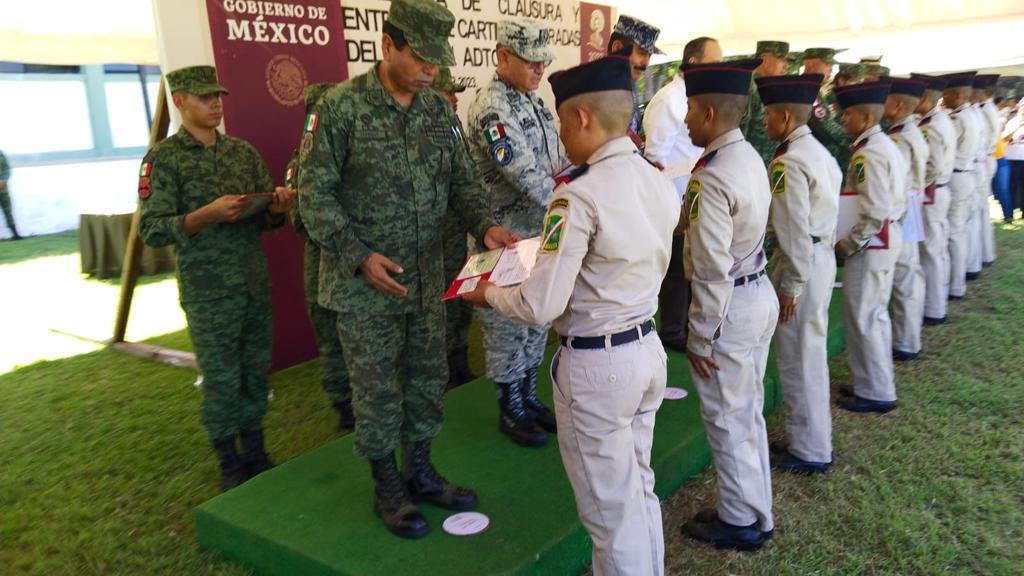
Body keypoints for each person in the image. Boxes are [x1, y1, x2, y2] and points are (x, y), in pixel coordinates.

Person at [297, 0, 518, 539]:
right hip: (363, 285)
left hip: (425, 278)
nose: (431, 70)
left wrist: (486, 226)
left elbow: (463, 183)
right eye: (421, 57)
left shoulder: (437, 111)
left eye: (437, 61)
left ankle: (419, 470)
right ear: (387, 44)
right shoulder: (339, 108)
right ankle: (387, 486)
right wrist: (356, 254)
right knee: (376, 389)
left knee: (426, 379)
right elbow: (313, 194)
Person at [463, 55, 679, 576]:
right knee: (638, 491)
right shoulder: (656, 179)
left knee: (610, 516)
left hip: (599, 367)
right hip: (646, 350)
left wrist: (486, 292)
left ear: (582, 119)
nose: (560, 135)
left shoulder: (576, 196)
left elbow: (541, 305)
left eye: (562, 122)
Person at [138, 65, 296, 490]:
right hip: (208, 291)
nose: (215, 102)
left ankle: (257, 452)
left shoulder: (241, 153)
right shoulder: (163, 160)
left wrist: (277, 207)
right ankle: (230, 463)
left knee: (253, 370)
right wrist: (204, 216)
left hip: (250, 282)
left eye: (218, 95)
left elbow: (265, 219)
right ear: (180, 101)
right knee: (222, 377)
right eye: (205, 96)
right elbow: (151, 229)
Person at [679, 58, 778, 551]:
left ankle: (740, 518)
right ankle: (756, 509)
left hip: (730, 305)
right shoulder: (749, 157)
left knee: (726, 415)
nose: (686, 119)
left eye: (692, 109)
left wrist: (700, 335)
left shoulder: (710, 178)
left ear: (711, 112)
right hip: (755, 293)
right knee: (747, 410)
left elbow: (712, 267)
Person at [465, 20, 566, 446]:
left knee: (533, 319)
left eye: (543, 60)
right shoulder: (492, 106)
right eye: (530, 60)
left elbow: (558, 158)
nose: (539, 68)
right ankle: (511, 408)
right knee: (506, 324)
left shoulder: (534, 102)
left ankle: (528, 396)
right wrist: (570, 205)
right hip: (502, 237)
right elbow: (522, 171)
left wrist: (572, 187)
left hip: (537, 235)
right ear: (503, 56)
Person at [756, 73, 841, 474]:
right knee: (809, 352)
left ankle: (808, 447)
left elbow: (791, 231)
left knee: (798, 357)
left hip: (802, 261)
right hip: (819, 257)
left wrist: (790, 284)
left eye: (770, 115)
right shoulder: (818, 152)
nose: (765, 123)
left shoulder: (788, 163)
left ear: (785, 116)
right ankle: (810, 438)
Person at [641, 36, 723, 353]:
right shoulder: (668, 100)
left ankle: (685, 324)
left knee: (689, 265)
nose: (717, 68)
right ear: (693, 63)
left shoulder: (693, 96)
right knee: (675, 268)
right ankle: (672, 330)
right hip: (673, 197)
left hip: (692, 195)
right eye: (712, 62)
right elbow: (655, 158)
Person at [833, 79, 906, 413]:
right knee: (872, 315)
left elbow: (874, 211)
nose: (841, 119)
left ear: (864, 118)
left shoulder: (869, 154)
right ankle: (872, 384)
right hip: (882, 240)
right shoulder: (880, 145)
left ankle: (876, 391)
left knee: (865, 316)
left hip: (871, 244)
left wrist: (849, 243)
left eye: (847, 114)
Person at [285, 83, 354, 432]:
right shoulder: (301, 163)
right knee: (333, 343)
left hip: (359, 264)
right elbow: (301, 220)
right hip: (325, 268)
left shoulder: (352, 153)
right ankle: (344, 409)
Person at [431, 67, 477, 387]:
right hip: (435, 233)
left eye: (455, 93)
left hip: (457, 228)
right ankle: (444, 367)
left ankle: (460, 356)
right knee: (441, 300)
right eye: (448, 93)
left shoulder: (453, 125)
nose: (455, 99)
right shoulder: (420, 128)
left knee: (460, 293)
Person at [884, 78, 929, 362]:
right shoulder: (911, 130)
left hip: (902, 206)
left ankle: (904, 341)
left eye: (887, 100)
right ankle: (908, 338)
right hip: (911, 203)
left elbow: (892, 179)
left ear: (898, 105)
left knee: (904, 276)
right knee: (909, 274)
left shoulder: (900, 137)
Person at [911, 74, 956, 325]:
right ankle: (936, 303)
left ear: (926, 98)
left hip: (931, 192)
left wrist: (913, 186)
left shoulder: (931, 126)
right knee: (935, 249)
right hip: (938, 190)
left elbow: (933, 167)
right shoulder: (939, 120)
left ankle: (933, 308)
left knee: (930, 251)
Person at [939, 72, 980, 300]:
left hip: (956, 175)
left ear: (957, 95)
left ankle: (954, 286)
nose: (943, 99)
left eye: (946, 94)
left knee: (953, 233)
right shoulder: (970, 115)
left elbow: (945, 150)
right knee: (959, 230)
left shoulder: (956, 119)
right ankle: (958, 281)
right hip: (967, 172)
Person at [607, 14, 664, 147]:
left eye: (649, 56)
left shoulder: (626, 88)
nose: (646, 63)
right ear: (617, 48)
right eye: (642, 53)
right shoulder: (595, 90)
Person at [803, 48, 854, 174]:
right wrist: (854, 143)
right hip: (813, 160)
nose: (831, 69)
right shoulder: (807, 88)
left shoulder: (812, 88)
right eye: (827, 64)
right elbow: (826, 126)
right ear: (810, 65)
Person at [742, 41, 793, 165]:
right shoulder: (748, 86)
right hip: (751, 166)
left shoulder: (772, 87)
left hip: (769, 165)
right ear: (765, 60)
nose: (786, 66)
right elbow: (740, 129)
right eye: (782, 60)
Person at [975, 75, 1001, 267]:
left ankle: (981, 256)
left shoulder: (984, 110)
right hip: (985, 160)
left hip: (981, 160)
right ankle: (985, 253)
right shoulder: (988, 109)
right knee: (980, 211)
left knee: (978, 211)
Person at [1003, 103, 1024, 220]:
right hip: (1012, 159)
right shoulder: (1013, 121)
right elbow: (1005, 138)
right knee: (1011, 187)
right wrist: (1017, 127)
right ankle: (1009, 214)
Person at [0, 150, 22, 240]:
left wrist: (4, 179)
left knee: (8, 210)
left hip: (2, 187)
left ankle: (15, 234)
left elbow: (6, 168)